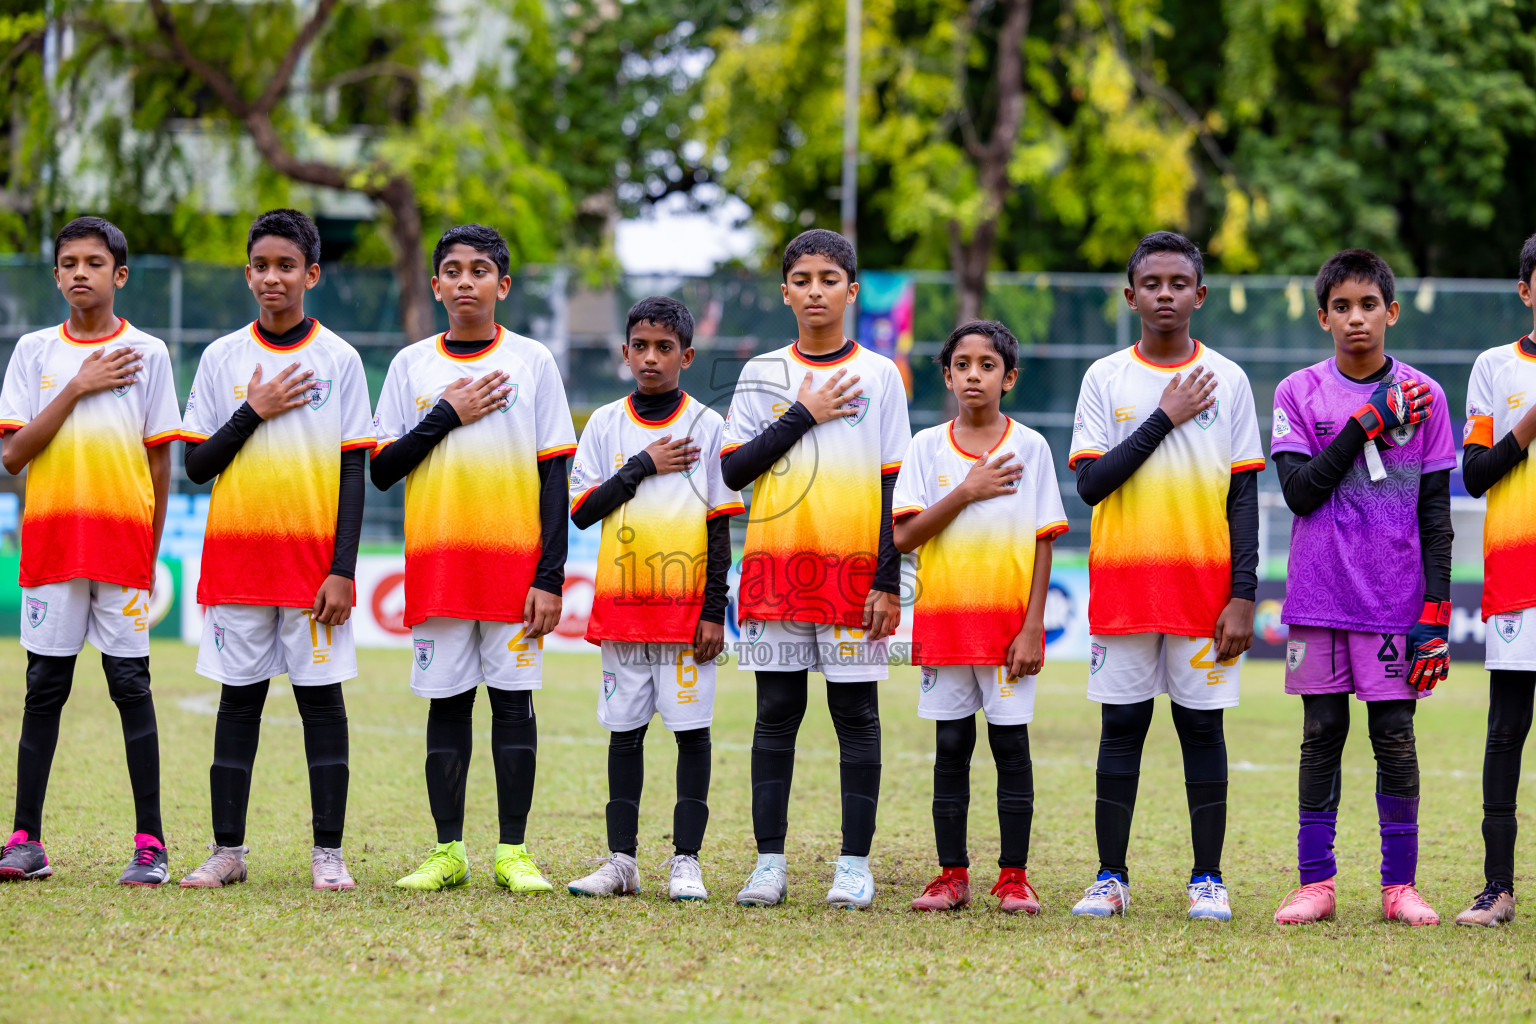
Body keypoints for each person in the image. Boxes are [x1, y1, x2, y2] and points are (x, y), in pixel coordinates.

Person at [1067, 231, 1264, 922]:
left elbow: (1243, 498)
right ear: (1131, 296)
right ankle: (1110, 878)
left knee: (1202, 733)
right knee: (1120, 730)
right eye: (1151, 284)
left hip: (1205, 595)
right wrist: (1164, 416)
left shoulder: (1229, 380)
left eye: (1179, 284)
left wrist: (1244, 593)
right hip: (1125, 590)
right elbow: (1092, 483)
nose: (1165, 295)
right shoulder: (1105, 378)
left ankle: (1207, 879)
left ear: (1200, 295)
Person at [372, 224, 575, 895]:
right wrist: (446, 414)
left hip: (515, 573)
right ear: (435, 285)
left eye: (480, 270)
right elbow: (382, 468)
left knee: (514, 709)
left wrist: (549, 576)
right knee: (447, 707)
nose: (466, 281)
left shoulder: (533, 362)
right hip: (439, 568)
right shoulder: (411, 367)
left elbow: (555, 475)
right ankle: (448, 851)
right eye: (453, 270)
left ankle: (513, 852)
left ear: (503, 286)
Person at [177, 209, 374, 892]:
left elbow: (355, 470)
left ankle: (329, 854)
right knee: (239, 705)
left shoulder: (340, 360)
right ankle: (227, 850)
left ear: (311, 274)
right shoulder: (222, 359)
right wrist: (253, 409)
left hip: (313, 571)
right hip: (237, 566)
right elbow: (196, 466)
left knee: (323, 707)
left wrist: (343, 569)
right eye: (261, 265)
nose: (272, 277)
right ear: (247, 273)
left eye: (286, 266)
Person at [722, 228, 910, 908]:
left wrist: (888, 580)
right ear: (785, 292)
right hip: (776, 569)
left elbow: (896, 484)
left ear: (851, 291)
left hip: (858, 576)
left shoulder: (882, 374)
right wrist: (802, 413)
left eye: (829, 280)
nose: (815, 292)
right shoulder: (763, 373)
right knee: (776, 713)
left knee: (855, 714)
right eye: (802, 280)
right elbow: (734, 468)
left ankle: (852, 865)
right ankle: (768, 863)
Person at [1270, 248, 1452, 927]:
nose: (1356, 318)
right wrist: (1366, 423)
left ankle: (1397, 887)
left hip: (1393, 603)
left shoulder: (1426, 395)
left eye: (1368, 305)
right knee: (1321, 734)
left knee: (1395, 737)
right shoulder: (1298, 393)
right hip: (1318, 597)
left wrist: (1435, 614)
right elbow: (1298, 495)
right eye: (1341, 307)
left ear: (1391, 312)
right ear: (1323, 317)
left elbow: (1435, 516)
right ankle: (1315, 884)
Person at [0, 217, 180, 885]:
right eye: (69, 261)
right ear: (56, 275)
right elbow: (14, 454)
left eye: (94, 262)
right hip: (52, 545)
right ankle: (24, 840)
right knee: (43, 688)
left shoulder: (149, 353)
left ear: (119, 275)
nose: (81, 271)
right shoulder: (36, 353)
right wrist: (77, 384)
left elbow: (160, 462)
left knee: (131, 686)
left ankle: (151, 844)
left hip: (121, 550)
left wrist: (149, 549)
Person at [564, 296, 743, 901]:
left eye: (664, 347)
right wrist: (641, 463)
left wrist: (715, 611)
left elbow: (720, 526)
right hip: (623, 613)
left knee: (692, 734)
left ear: (686, 356)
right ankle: (622, 862)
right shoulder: (606, 425)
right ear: (624, 353)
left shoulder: (708, 427)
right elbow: (584, 511)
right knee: (625, 734)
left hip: (688, 616)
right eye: (640, 346)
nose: (650, 357)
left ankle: (685, 861)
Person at [892, 319, 1066, 914]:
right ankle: (951, 874)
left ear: (1009, 377)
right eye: (962, 365)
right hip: (945, 626)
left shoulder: (1032, 447)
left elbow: (1044, 541)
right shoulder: (924, 448)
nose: (974, 374)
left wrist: (1032, 624)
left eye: (987, 365)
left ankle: (1014, 877)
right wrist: (966, 490)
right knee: (950, 748)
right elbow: (906, 536)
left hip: (1007, 632)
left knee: (1012, 749)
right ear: (946, 375)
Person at [1454, 232, 1536, 927]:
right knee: (1506, 731)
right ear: (1526, 289)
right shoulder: (1494, 367)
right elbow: (1475, 474)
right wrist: (1531, 420)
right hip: (1520, 580)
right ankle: (1497, 889)